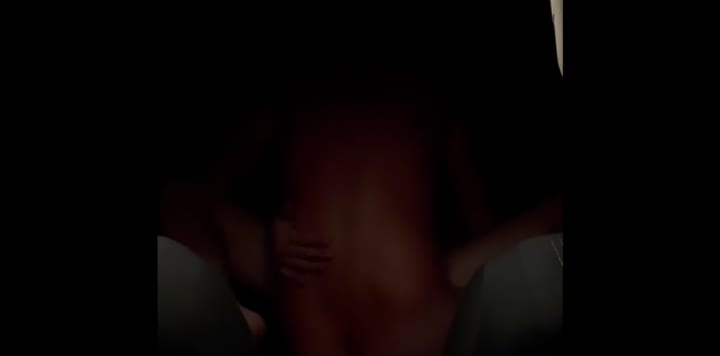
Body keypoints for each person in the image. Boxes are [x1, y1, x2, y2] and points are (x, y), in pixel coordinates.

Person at [159, 65, 562, 356]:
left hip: (312, 330)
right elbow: (481, 222)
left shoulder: (296, 94)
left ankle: (224, 312)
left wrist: (273, 231)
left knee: (177, 196)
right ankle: (223, 311)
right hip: (413, 328)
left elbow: (212, 185)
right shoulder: (430, 99)